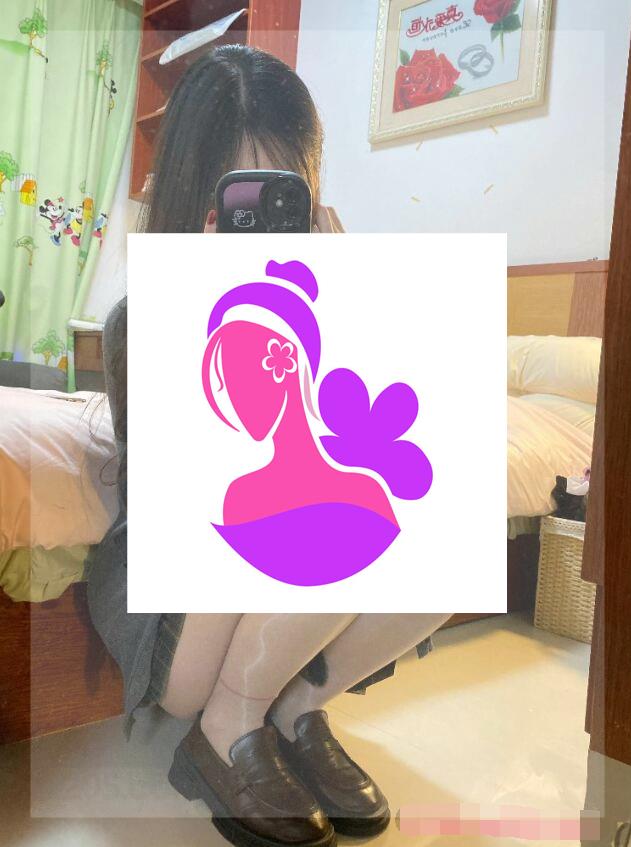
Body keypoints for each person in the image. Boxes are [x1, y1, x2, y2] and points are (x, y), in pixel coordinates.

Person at [87, 45, 450, 847]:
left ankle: (294, 708)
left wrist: (348, 300)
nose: (260, 227)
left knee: (428, 503)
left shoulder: (318, 323)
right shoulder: (139, 321)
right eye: (239, 200)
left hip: (259, 568)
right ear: (195, 199)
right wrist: (203, 304)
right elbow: (193, 489)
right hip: (178, 596)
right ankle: (226, 727)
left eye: (281, 200)